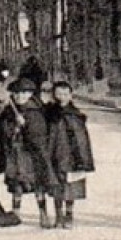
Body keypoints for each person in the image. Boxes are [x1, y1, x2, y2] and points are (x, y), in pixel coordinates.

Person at [0, 77, 57, 226]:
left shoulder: (36, 111)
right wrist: (14, 127)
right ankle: (16, 213)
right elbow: (2, 130)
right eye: (17, 93)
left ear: (30, 94)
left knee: (37, 184)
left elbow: (40, 133)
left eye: (24, 93)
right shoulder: (9, 111)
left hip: (32, 155)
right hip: (15, 154)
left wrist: (27, 125)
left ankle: (43, 213)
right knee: (16, 185)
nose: (20, 97)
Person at [45, 80, 95, 229]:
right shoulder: (49, 114)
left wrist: (83, 158)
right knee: (56, 186)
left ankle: (69, 214)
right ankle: (58, 215)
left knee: (70, 187)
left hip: (71, 156)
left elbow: (82, 140)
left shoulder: (76, 115)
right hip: (54, 154)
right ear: (54, 95)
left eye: (65, 94)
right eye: (59, 94)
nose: (62, 97)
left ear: (71, 95)